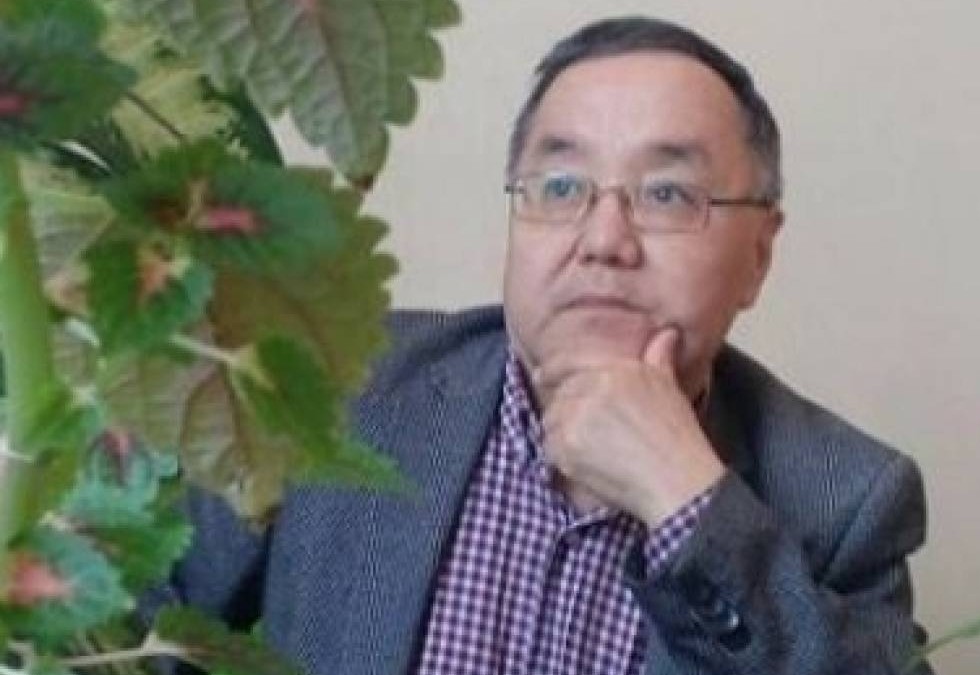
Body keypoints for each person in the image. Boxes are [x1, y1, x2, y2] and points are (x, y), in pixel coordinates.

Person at [170, 15, 934, 675]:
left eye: (667, 194)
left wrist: (688, 505)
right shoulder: (338, 378)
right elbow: (130, 625)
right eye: (562, 187)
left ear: (758, 255)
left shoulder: (847, 500)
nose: (604, 240)